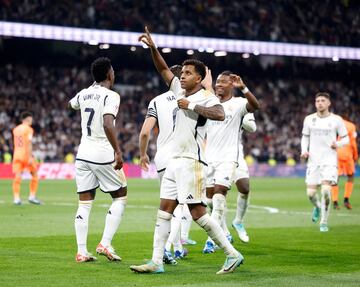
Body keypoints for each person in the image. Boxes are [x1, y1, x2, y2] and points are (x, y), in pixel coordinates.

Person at [130, 27, 243, 275]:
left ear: (199, 78)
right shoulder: (178, 91)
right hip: (173, 162)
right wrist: (153, 47)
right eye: (182, 72)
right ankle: (156, 261)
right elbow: (162, 69)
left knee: (198, 213)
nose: (182, 76)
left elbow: (220, 113)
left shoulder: (205, 97)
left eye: (188, 73)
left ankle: (232, 254)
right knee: (164, 211)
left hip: (191, 162)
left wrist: (191, 105)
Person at [69, 57, 127, 263]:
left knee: (84, 203)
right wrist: (118, 152)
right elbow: (108, 123)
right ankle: (105, 243)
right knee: (120, 196)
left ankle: (82, 251)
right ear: (109, 74)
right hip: (102, 153)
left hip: (83, 154)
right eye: (113, 70)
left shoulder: (83, 93)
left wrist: (89, 92)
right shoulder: (112, 95)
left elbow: (71, 104)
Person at [139, 64, 192, 266]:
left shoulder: (157, 100)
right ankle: (169, 249)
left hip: (161, 158)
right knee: (179, 207)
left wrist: (143, 154)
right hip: (182, 156)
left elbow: (145, 133)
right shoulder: (192, 99)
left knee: (167, 205)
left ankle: (174, 248)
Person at [203, 71, 259, 253]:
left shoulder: (239, 104)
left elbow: (254, 106)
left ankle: (212, 240)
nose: (219, 84)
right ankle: (225, 230)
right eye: (217, 82)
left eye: (223, 82)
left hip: (229, 158)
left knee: (222, 196)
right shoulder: (210, 103)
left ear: (231, 85)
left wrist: (244, 88)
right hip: (209, 159)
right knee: (209, 200)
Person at [301, 92, 349, 232]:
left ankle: (324, 222)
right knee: (310, 194)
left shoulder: (336, 120)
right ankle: (317, 207)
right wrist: (304, 150)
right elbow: (305, 137)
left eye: (322, 100)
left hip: (329, 160)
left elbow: (346, 138)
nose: (320, 103)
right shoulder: (309, 119)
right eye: (317, 101)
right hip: (313, 161)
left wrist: (338, 144)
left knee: (326, 191)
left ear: (329, 103)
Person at [231, 113, 257, 243]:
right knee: (212, 199)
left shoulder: (239, 105)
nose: (218, 90)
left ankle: (238, 221)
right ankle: (220, 233)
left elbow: (252, 128)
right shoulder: (208, 104)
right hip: (214, 157)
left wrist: (242, 117)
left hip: (235, 156)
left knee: (245, 188)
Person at [12, 111, 41, 205]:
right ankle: (32, 196)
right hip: (26, 155)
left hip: (17, 154)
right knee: (35, 175)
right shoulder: (29, 129)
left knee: (17, 176)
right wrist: (29, 157)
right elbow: (28, 143)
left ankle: (16, 198)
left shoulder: (15, 129)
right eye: (31, 119)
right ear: (28, 119)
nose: (32, 121)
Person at [331, 114, 358, 210]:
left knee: (335, 178)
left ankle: (335, 202)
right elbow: (353, 142)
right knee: (350, 176)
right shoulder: (351, 126)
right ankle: (346, 199)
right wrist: (355, 155)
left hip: (337, 153)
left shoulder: (334, 124)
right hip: (347, 153)